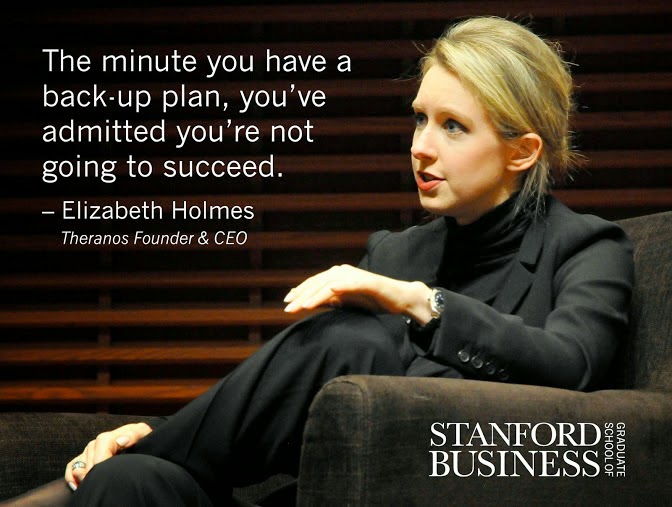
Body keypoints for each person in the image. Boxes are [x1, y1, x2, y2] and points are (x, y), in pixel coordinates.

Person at [10, 15, 635, 506]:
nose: (421, 147)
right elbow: (286, 415)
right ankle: (149, 451)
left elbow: (573, 365)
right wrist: (158, 435)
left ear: (522, 151)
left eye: (452, 126)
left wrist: (419, 302)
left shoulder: (586, 246)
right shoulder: (397, 251)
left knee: (352, 340)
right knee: (130, 482)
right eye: (419, 119)